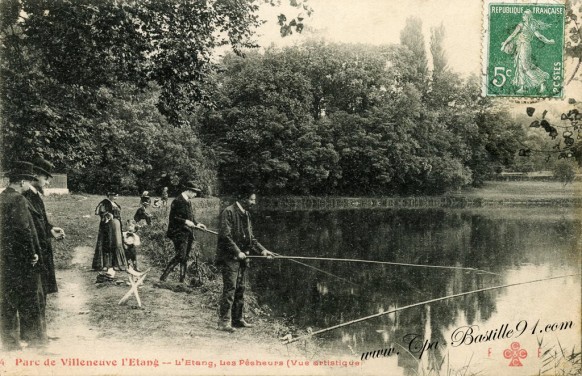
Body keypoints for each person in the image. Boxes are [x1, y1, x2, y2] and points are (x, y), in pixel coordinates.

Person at [0, 161, 47, 350]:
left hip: (5, 260)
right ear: (21, 182)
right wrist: (32, 253)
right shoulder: (18, 199)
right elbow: (23, 229)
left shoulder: (2, 198)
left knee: (8, 301)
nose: (29, 185)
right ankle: (35, 342)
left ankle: (10, 343)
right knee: (30, 299)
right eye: (28, 181)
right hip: (22, 261)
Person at [216, 188, 274, 332]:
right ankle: (223, 322)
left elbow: (251, 239)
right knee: (230, 289)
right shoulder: (228, 212)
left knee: (241, 289)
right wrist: (238, 252)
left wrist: (263, 250)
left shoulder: (246, 214)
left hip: (243, 258)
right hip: (229, 258)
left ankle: (237, 319)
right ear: (243, 199)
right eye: (251, 199)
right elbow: (225, 237)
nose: (254, 202)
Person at [23, 157, 65, 297]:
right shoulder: (25, 196)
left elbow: (40, 222)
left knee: (42, 292)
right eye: (46, 178)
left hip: (42, 248)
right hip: (35, 250)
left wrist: (51, 229)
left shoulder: (35, 196)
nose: (47, 182)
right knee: (36, 294)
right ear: (35, 175)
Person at [159, 181, 207, 283]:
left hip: (186, 232)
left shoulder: (188, 201)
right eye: (194, 193)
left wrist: (197, 224)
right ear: (189, 191)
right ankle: (163, 278)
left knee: (185, 257)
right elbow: (173, 218)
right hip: (177, 232)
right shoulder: (177, 201)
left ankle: (182, 280)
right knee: (180, 255)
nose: (195, 195)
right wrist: (185, 222)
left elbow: (190, 217)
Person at [501, 9, 555, 94]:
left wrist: (504, 45)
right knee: (520, 66)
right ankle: (523, 87)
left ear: (528, 16)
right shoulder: (532, 26)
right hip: (524, 47)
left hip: (524, 47)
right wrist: (548, 41)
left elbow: (512, 35)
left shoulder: (521, 25)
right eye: (523, 15)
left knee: (525, 67)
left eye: (524, 15)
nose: (522, 16)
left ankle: (541, 81)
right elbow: (539, 36)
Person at [92, 190, 128, 277]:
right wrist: (107, 214)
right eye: (114, 195)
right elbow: (98, 212)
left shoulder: (116, 204)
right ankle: (106, 264)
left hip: (117, 226)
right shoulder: (105, 203)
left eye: (117, 195)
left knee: (117, 243)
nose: (116, 196)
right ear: (109, 195)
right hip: (108, 226)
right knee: (108, 243)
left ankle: (116, 264)